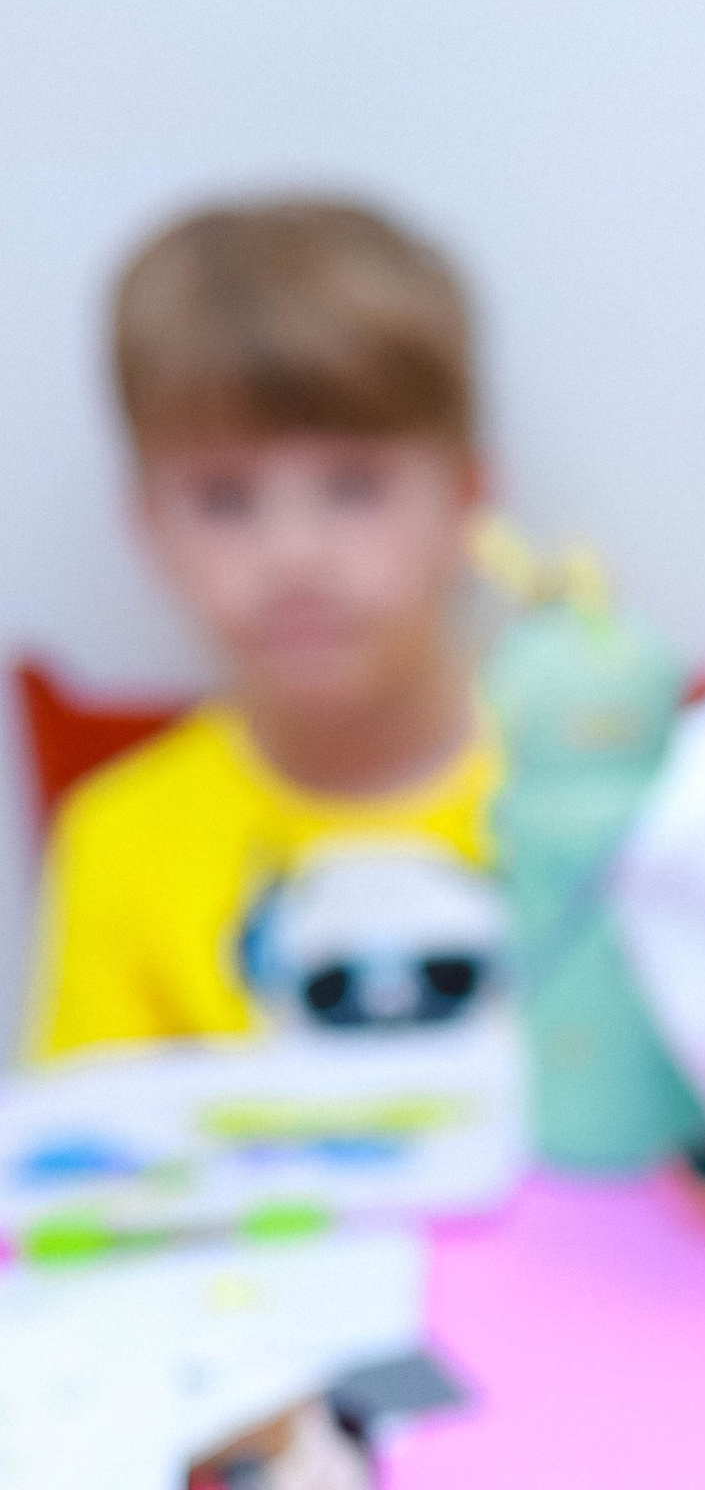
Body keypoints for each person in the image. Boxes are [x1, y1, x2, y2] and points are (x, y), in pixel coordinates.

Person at [22, 196, 501, 1063]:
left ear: (465, 497)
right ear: (148, 528)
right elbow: (85, 1174)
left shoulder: (610, 805)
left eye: (355, 486)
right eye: (224, 499)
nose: (293, 556)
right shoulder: (118, 844)